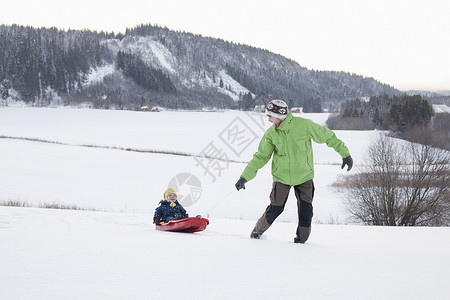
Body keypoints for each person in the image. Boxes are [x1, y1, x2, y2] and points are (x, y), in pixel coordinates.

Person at [235, 99, 353, 243]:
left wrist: (345, 154)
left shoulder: (304, 126)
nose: (268, 119)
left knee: (306, 211)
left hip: (304, 176)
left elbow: (327, 136)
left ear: (279, 115)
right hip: (282, 178)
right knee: (276, 208)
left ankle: (301, 242)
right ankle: (256, 234)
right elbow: (260, 157)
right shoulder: (271, 134)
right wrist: (244, 177)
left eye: (269, 116)